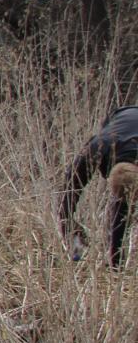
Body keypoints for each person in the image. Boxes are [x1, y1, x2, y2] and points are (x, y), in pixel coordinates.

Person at [58, 105, 138, 265]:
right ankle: (115, 261)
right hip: (120, 117)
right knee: (121, 207)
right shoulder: (95, 150)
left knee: (122, 207)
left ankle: (115, 260)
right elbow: (68, 193)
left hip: (131, 119)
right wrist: (70, 227)